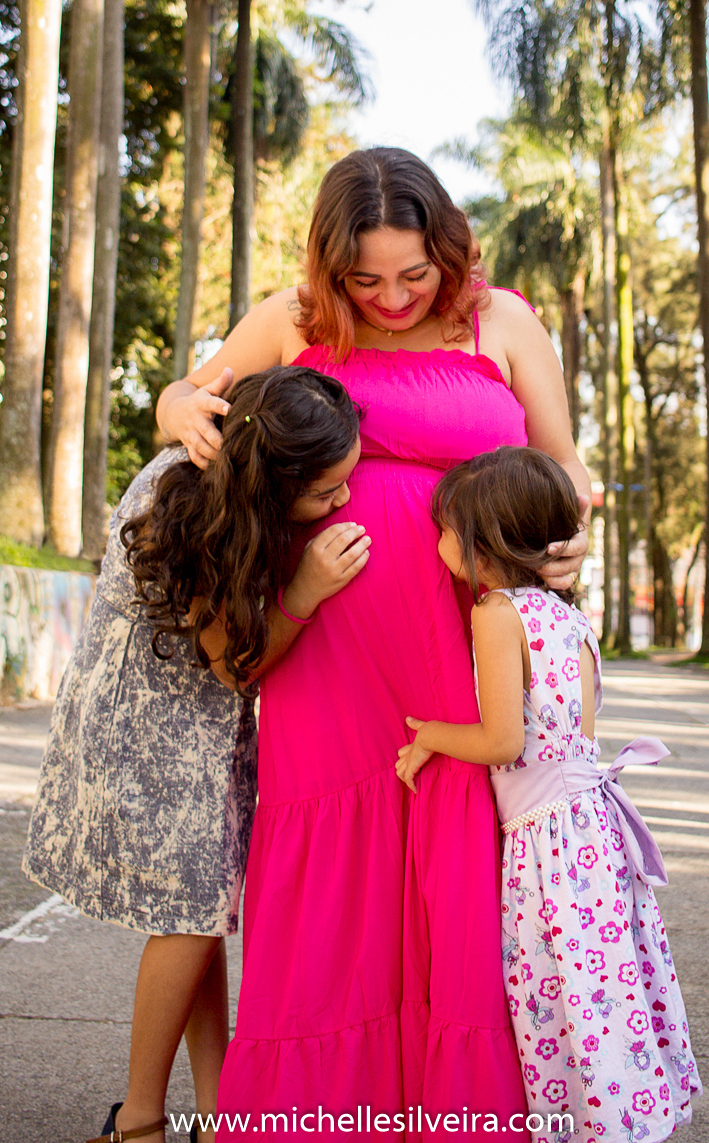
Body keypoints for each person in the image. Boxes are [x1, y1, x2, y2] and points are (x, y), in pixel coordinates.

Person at [155, 146, 593, 1140]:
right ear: (331, 266)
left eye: (415, 274)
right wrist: (182, 403)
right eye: (366, 279)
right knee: (329, 884)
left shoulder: (505, 322)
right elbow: (187, 399)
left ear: (448, 252)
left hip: (465, 644)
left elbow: (563, 466)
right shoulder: (293, 319)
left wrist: (565, 533)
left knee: (457, 882)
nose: (392, 298)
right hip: (326, 656)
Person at [23, 367, 370, 1143]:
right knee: (187, 919)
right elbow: (235, 666)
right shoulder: (200, 526)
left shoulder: (218, 460)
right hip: (153, 732)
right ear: (267, 487)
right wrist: (306, 591)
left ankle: (220, 1112)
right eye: (322, 494)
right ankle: (141, 1118)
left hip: (185, 721)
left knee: (200, 913)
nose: (340, 503)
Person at [396, 445, 702, 1143]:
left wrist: (433, 735)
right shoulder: (567, 615)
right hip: (591, 828)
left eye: (446, 529)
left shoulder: (497, 613)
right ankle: (629, 1115)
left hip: (550, 846)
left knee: (560, 992)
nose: (437, 541)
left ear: (485, 541)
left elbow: (504, 742)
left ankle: (585, 1125)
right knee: (607, 990)